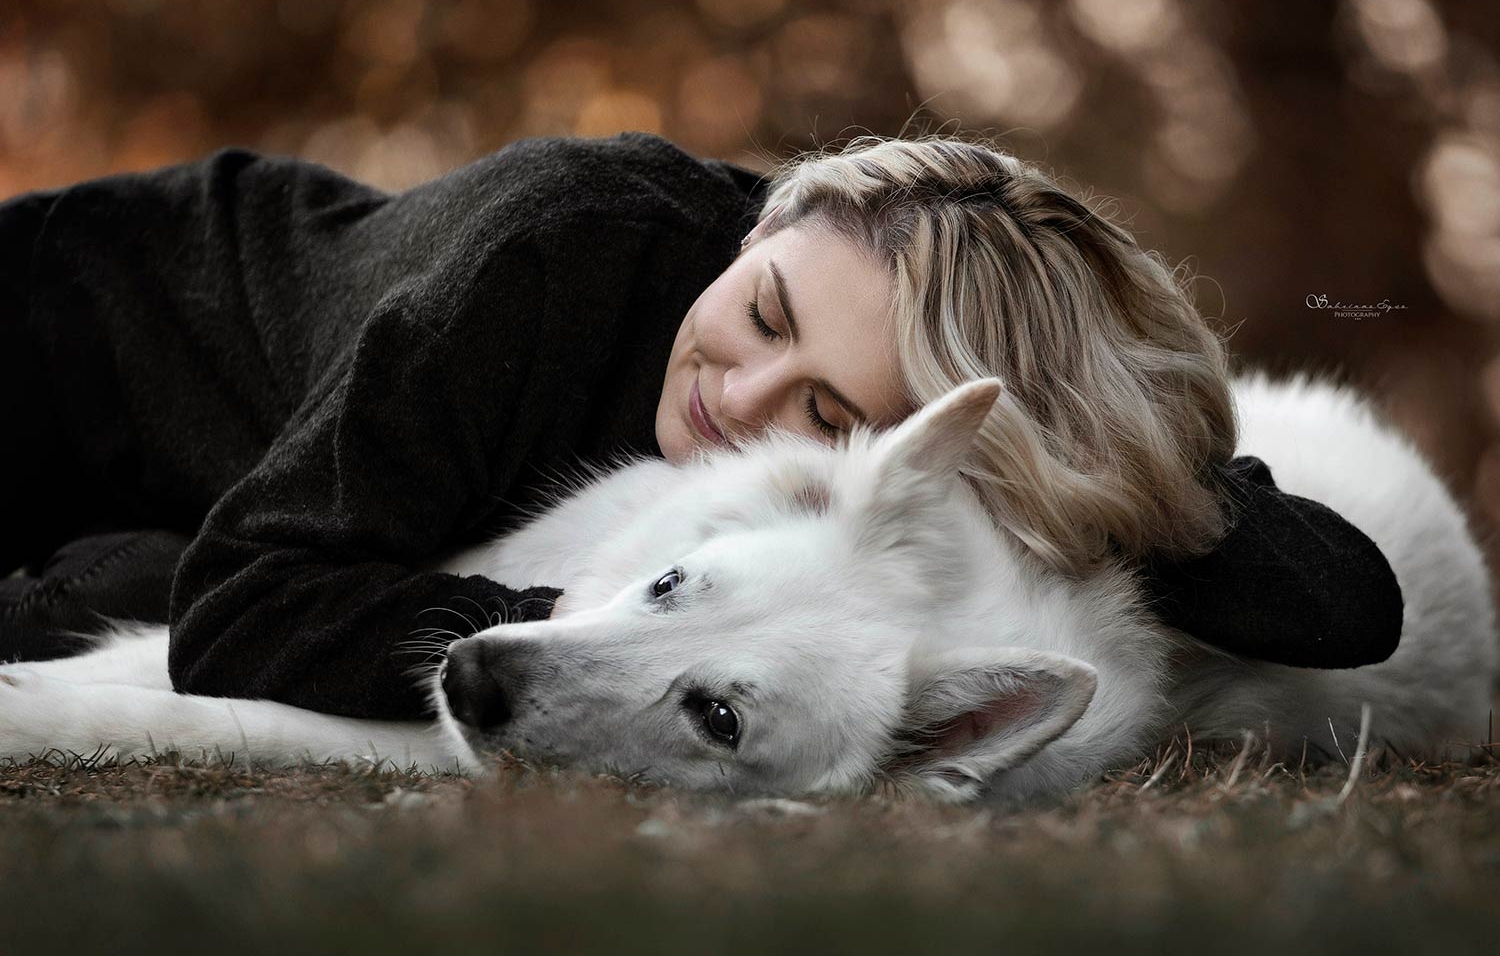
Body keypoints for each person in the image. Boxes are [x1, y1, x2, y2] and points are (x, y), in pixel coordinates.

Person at [0, 130, 1403, 722]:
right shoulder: (553, 261)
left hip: (221, 490)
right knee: (128, 603)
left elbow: (1347, 604)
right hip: (63, 331)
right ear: (770, 216)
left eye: (825, 414)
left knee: (130, 577)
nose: (736, 401)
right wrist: (629, 635)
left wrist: (1144, 472)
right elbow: (244, 618)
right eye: (769, 316)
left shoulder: (925, 428)